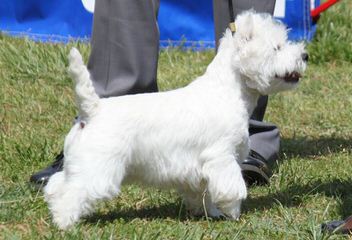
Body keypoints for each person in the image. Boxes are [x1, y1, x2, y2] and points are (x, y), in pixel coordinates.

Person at [30, 0, 279, 186]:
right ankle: (103, 131)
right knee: (107, 121)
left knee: (248, 27)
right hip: (107, 122)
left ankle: (239, 138)